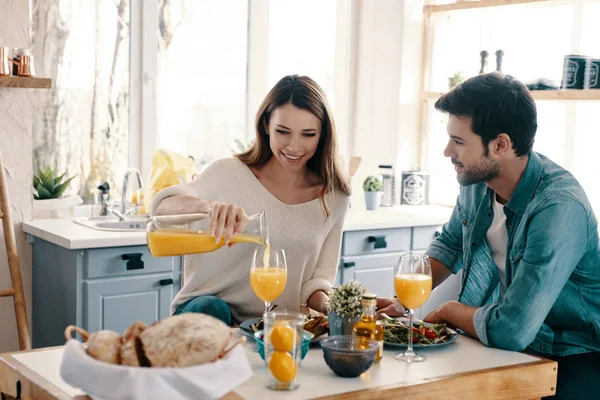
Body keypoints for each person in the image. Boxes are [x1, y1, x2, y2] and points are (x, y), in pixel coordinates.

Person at [378, 72, 600, 399]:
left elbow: (512, 328)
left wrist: (450, 310)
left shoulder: (558, 208)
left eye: (459, 141)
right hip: (512, 345)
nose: (446, 152)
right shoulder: (477, 183)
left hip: (573, 354)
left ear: (500, 145)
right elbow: (450, 245)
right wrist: (403, 304)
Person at [151, 74, 351, 326]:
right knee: (212, 307)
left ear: (323, 134)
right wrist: (208, 207)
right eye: (283, 131)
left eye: (308, 134)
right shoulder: (227, 172)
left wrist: (336, 307)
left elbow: (317, 280)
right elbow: (162, 208)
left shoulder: (334, 197)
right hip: (204, 321)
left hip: (273, 329)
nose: (294, 147)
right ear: (266, 125)